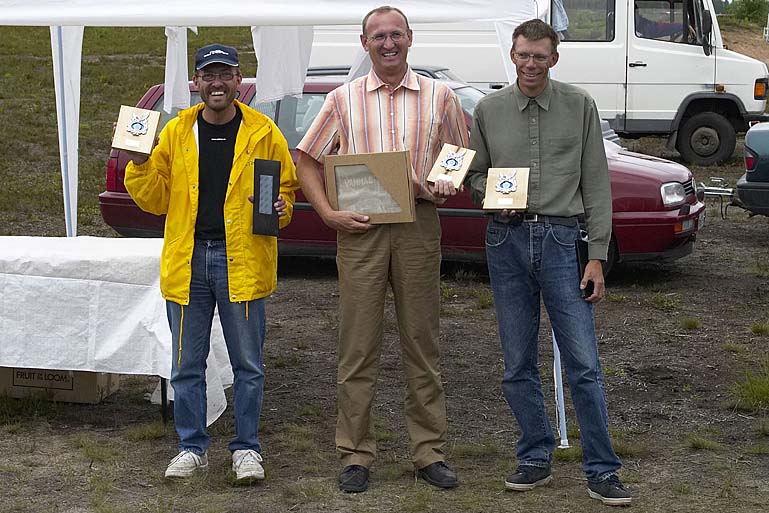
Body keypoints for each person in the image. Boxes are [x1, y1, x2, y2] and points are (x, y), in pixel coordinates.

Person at [295, 5, 469, 494]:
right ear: (364, 43)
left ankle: (429, 452)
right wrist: (328, 214)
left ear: (410, 38)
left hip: (418, 225)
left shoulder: (440, 96)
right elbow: (305, 159)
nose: (388, 43)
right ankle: (355, 453)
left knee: (422, 341)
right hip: (360, 230)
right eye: (378, 36)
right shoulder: (343, 98)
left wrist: (443, 182)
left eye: (396, 34)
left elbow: (458, 155)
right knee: (357, 346)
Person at [466, 19, 632, 507]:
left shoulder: (579, 106)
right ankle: (534, 456)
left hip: (563, 241)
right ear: (512, 55)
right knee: (517, 361)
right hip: (506, 242)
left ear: (553, 59)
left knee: (583, 363)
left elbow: (596, 184)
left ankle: (602, 469)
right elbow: (474, 176)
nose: (530, 64)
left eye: (540, 56)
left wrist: (596, 257)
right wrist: (493, 197)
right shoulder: (489, 110)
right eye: (523, 55)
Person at [123, 43, 298, 482]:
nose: (216, 83)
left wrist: (282, 208)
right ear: (196, 82)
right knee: (186, 365)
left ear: (239, 79)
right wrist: (139, 165)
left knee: (248, 365)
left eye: (225, 74)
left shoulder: (263, 131)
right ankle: (191, 447)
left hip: (242, 259)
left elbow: (285, 191)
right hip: (189, 260)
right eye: (208, 75)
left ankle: (247, 449)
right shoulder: (177, 131)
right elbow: (155, 200)